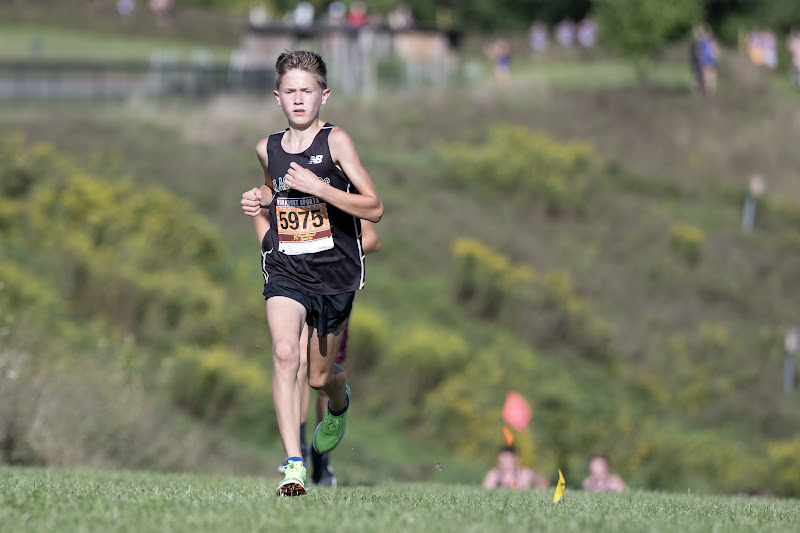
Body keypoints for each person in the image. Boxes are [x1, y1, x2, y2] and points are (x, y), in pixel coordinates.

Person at [240, 50, 383, 496]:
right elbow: (273, 186)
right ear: (277, 97)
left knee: (318, 378)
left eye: (307, 91)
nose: (298, 99)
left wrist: (319, 188)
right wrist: (260, 199)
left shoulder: (337, 142)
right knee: (285, 353)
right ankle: (294, 464)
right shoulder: (268, 147)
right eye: (290, 91)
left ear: (324, 95)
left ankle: (340, 402)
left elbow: (374, 208)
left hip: (334, 274)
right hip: (287, 269)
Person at [252, 213, 381, 486]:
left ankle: (322, 461)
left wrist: (328, 249)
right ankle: (295, 456)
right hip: (295, 282)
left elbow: (370, 238)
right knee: (292, 359)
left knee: (318, 376)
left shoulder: (344, 182)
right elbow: (264, 212)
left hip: (333, 285)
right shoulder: (284, 177)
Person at [482, 445, 550, 490]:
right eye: (504, 457)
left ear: (516, 459)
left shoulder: (525, 474)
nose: (506, 461)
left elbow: (544, 482)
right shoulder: (494, 475)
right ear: (498, 459)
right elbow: (484, 491)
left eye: (508, 458)